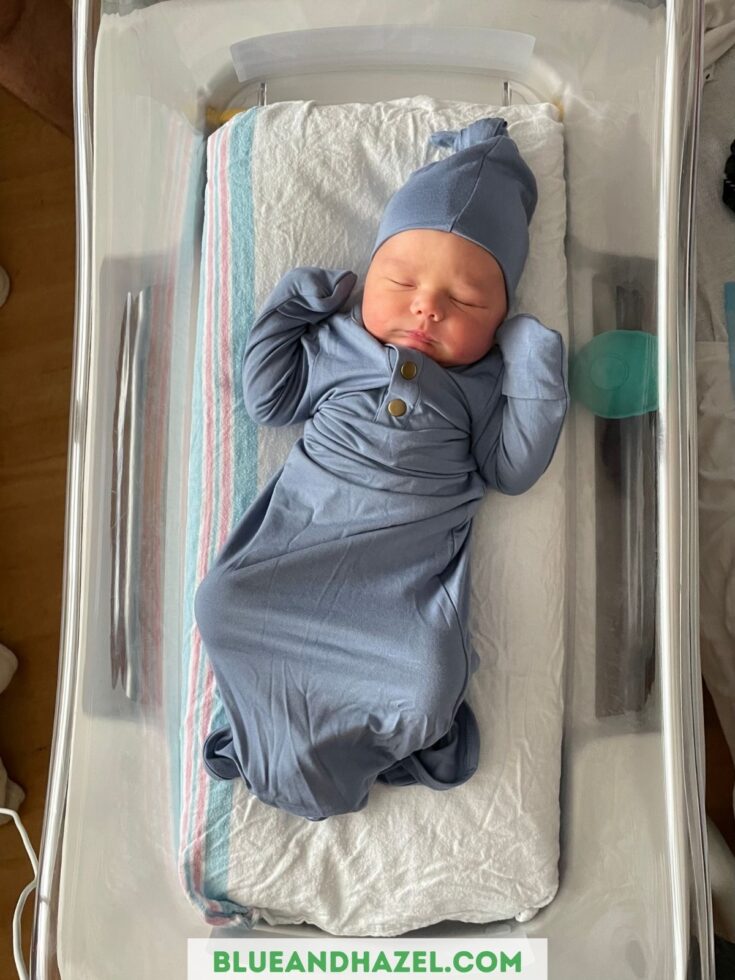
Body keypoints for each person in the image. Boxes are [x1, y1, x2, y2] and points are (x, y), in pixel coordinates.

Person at [194, 116, 569, 821]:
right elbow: (267, 400)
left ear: (499, 322)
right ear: (368, 275)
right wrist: (290, 309)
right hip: (294, 564)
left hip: (398, 596)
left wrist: (533, 368)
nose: (426, 305)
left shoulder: (482, 382)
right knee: (219, 602)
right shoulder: (338, 342)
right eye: (400, 280)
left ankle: (366, 745)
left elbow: (513, 469)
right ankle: (279, 733)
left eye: (463, 302)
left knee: (429, 683)